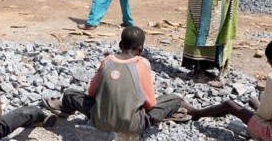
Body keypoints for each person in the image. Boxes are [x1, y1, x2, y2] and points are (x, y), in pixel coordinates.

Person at [44, 27, 190, 135]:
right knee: (174, 99)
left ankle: (64, 111)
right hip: (133, 126)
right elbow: (151, 104)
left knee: (70, 93)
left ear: (120, 45)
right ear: (141, 49)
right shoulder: (143, 64)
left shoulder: (107, 61)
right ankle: (168, 115)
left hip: (99, 121)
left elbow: (92, 93)